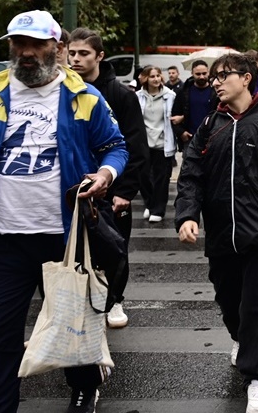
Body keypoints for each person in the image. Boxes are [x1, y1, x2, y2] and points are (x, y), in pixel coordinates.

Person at [0, 9, 128, 413]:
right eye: (18, 44)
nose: (25, 53)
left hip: (64, 242)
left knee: (74, 330)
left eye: (35, 44)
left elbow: (115, 146)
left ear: (58, 48)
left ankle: (84, 385)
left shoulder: (85, 96)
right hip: (0, 242)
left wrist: (105, 174)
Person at [175, 53, 258, 413]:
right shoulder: (210, 125)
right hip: (221, 237)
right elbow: (191, 174)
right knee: (230, 302)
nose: (215, 82)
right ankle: (241, 340)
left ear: (246, 78)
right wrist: (188, 214)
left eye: (223, 75)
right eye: (213, 77)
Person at [67, 27, 149, 329]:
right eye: (72, 53)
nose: (75, 59)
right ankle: (83, 300)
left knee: (115, 247)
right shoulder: (64, 91)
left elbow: (135, 145)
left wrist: (124, 191)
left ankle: (115, 299)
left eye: (83, 53)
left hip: (113, 189)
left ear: (100, 56)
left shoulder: (121, 95)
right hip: (77, 188)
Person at [135, 65, 177, 223]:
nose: (156, 79)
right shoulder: (138, 96)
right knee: (143, 177)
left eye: (158, 76)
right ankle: (150, 204)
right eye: (152, 76)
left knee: (161, 179)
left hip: (163, 143)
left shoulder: (170, 95)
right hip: (144, 143)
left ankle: (158, 209)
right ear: (145, 78)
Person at [174, 60, 215, 150]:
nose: (202, 77)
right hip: (190, 139)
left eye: (204, 73)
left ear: (208, 72)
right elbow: (174, 116)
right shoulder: (183, 92)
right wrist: (181, 132)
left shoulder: (215, 92)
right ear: (192, 73)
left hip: (211, 139)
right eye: (198, 74)